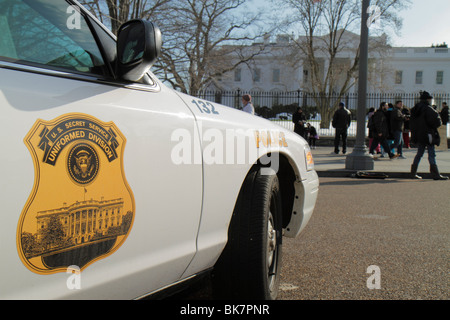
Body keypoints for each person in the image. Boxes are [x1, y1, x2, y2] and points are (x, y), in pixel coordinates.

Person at [410, 91, 448, 180]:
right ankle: (435, 174)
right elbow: (437, 122)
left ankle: (413, 173)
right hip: (428, 134)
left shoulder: (415, 109)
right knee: (431, 153)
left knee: (419, 153)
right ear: (428, 99)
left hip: (419, 134)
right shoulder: (428, 108)